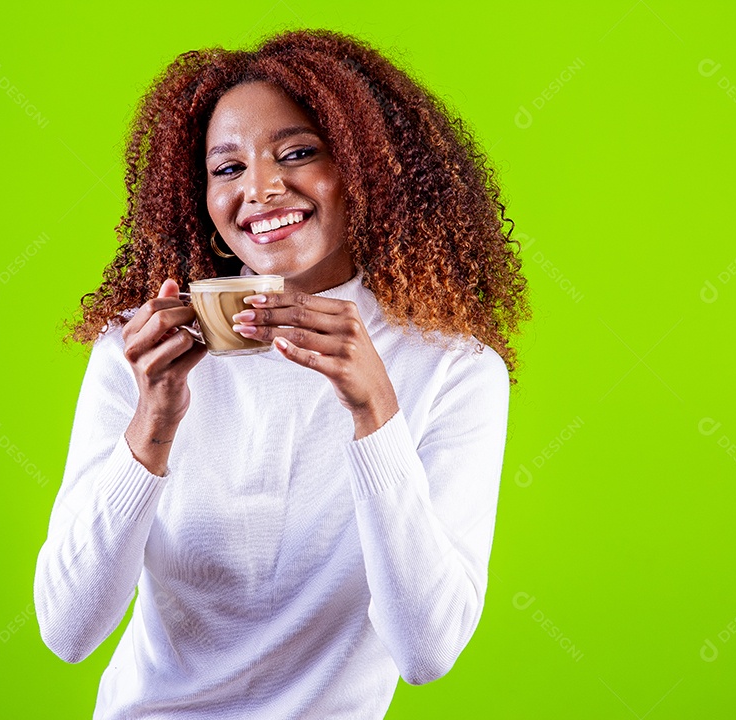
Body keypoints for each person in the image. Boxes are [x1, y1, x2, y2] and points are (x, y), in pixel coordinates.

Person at [34, 27, 530, 719]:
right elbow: (67, 632)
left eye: (298, 153)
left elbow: (426, 653)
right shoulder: (143, 351)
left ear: (365, 167)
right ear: (200, 196)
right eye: (228, 169)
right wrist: (152, 425)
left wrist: (376, 417)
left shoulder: (452, 369)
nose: (261, 189)